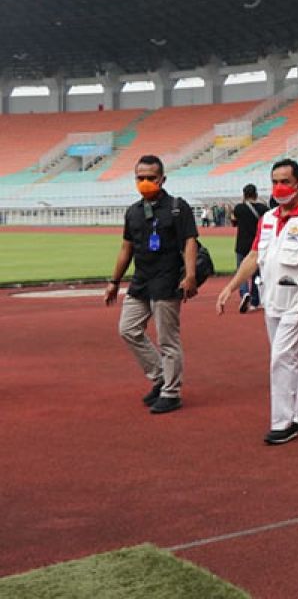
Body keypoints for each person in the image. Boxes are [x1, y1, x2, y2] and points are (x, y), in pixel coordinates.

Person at [217, 159, 298, 445]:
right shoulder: (267, 219)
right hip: (273, 299)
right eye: (275, 181)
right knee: (296, 356)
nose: (280, 187)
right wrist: (232, 286)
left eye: (286, 182)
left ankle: (283, 421)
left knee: (281, 356)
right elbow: (254, 256)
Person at [104, 154, 199, 415]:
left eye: (151, 178)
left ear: (162, 179)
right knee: (128, 329)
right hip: (141, 280)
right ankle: (160, 375)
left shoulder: (178, 207)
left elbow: (189, 241)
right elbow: (126, 248)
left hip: (168, 279)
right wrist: (114, 281)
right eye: (140, 177)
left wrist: (189, 275)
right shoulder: (133, 212)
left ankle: (171, 392)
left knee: (168, 339)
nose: (145, 182)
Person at [233, 184, 269, 313]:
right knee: (256, 273)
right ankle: (254, 300)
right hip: (257, 245)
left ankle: (244, 293)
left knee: (241, 271)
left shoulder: (239, 208)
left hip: (241, 244)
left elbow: (233, 221)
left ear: (244, 195)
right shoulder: (263, 209)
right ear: (256, 194)